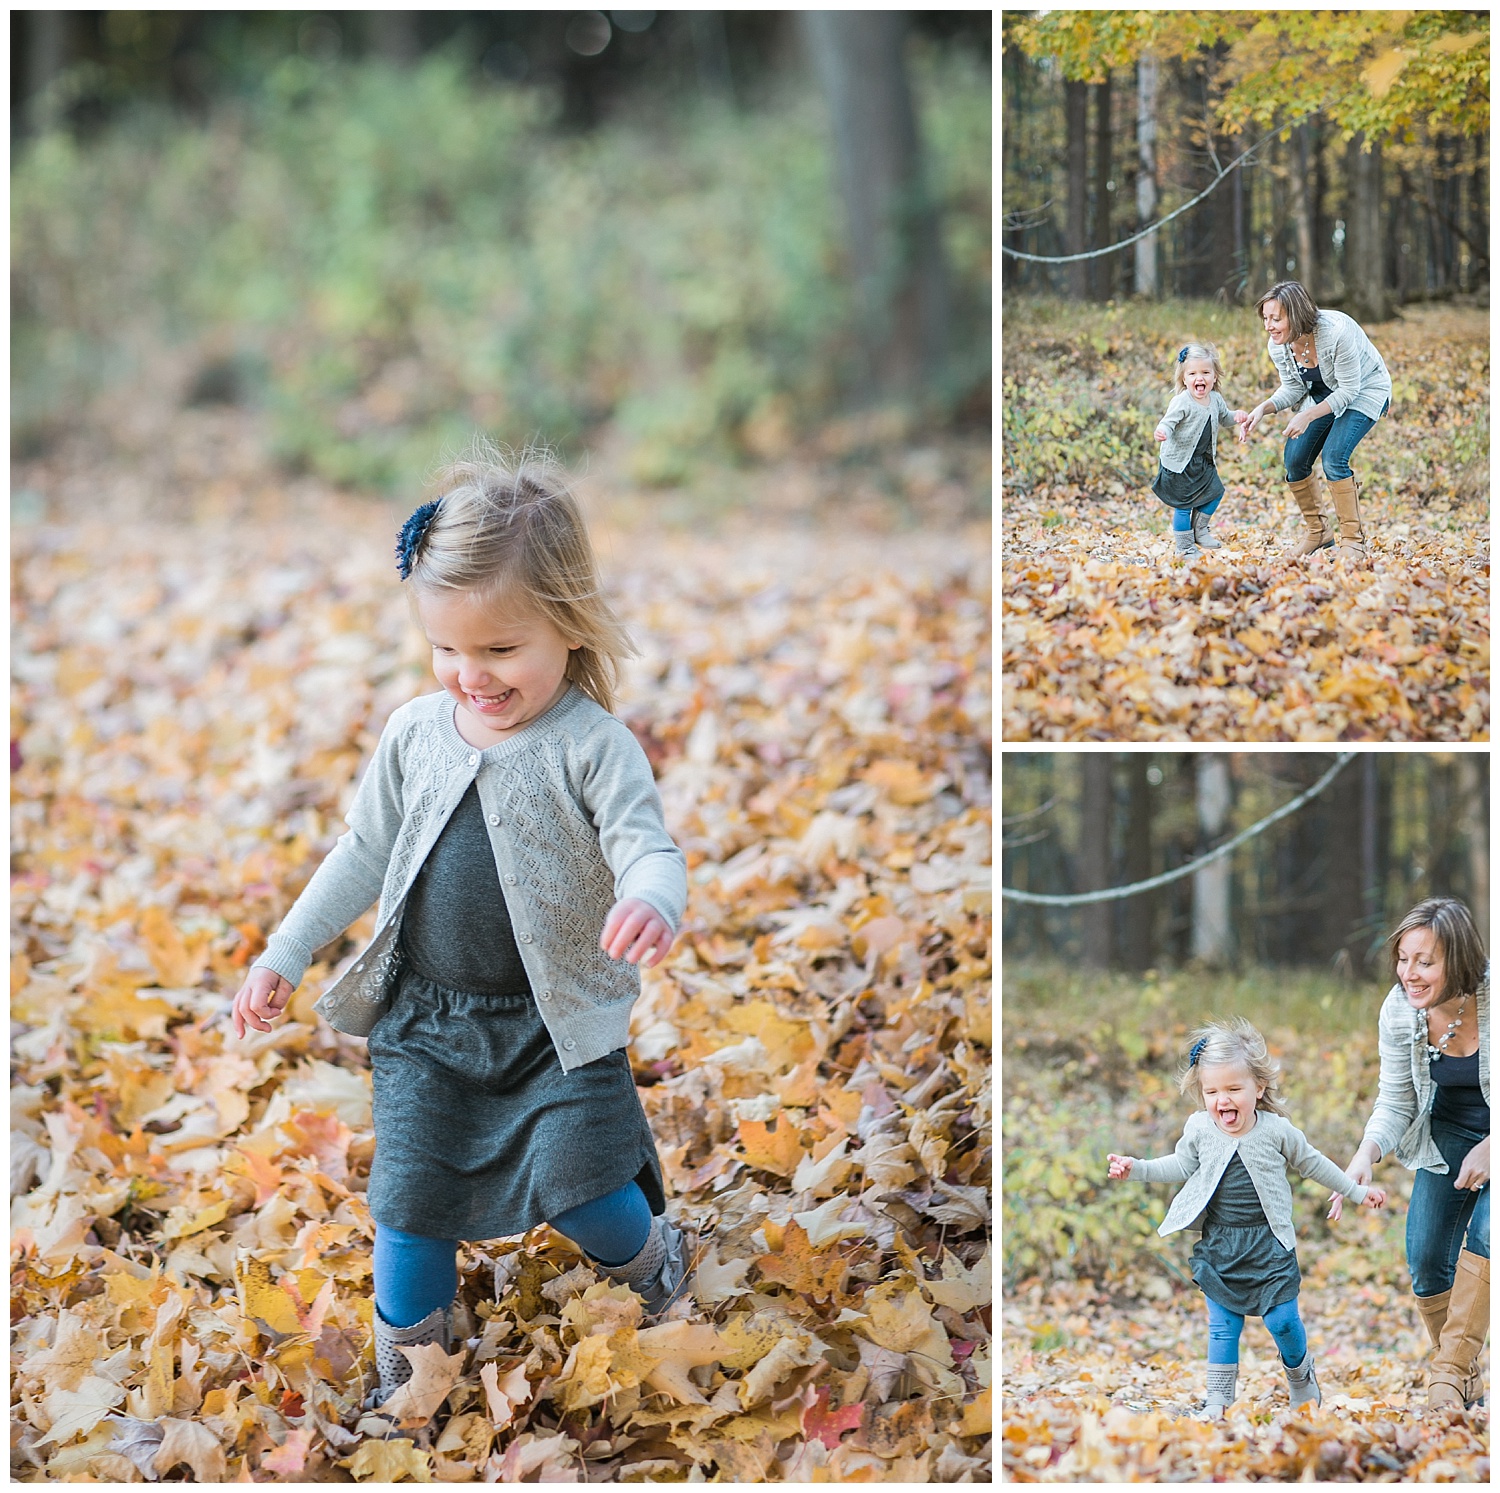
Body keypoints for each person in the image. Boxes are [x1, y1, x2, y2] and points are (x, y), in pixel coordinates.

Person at [230, 442, 690, 1407]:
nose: (469, 675)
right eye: (446, 648)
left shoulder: (592, 747)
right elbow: (360, 851)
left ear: (567, 625)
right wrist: (284, 950)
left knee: (589, 1198)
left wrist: (650, 897)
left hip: (551, 1024)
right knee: (408, 1202)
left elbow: (649, 846)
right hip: (428, 1020)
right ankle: (414, 1365)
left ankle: (651, 1248)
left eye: (498, 649)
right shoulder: (414, 734)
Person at [1108, 1018, 1384, 1419]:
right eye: (1212, 1091)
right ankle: (1218, 1401)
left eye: (1234, 1089)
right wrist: (1137, 1168)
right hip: (1221, 1244)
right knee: (1223, 1327)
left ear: (1259, 1087)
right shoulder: (1200, 1128)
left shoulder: (1277, 1131)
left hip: (1270, 1245)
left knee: (1283, 1321)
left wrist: (1357, 1191)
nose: (1223, 1100)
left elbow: (1314, 1164)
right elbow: (1179, 1165)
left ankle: (1302, 1379)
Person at [1328, 897, 1489, 1409]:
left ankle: (1447, 1378)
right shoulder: (1400, 1010)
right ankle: (1461, 1377)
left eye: (1426, 961)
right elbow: (1397, 1098)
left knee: (1488, 1236)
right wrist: (1364, 1154)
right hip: (1450, 1135)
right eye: (1404, 958)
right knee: (1424, 1258)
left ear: (1458, 959)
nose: (1410, 974)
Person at [1240, 280, 1392, 570]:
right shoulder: (1279, 344)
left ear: (1295, 315)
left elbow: (1348, 390)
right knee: (1294, 459)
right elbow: (1294, 388)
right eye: (1265, 319)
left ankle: (1353, 543)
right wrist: (1263, 408)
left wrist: (1307, 415)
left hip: (1365, 389)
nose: (1269, 326)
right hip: (1324, 393)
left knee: (1334, 458)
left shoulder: (1336, 333)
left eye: (1276, 318)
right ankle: (1319, 533)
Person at [1152, 342, 1249, 560]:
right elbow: (1168, 422)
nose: (1200, 378)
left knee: (1216, 493)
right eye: (1193, 373)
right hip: (1180, 463)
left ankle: (1200, 530)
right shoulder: (1182, 401)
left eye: (1205, 372)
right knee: (1183, 505)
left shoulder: (1215, 399)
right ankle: (1184, 546)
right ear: (1184, 379)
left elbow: (1225, 418)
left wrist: (1238, 416)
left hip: (1202, 461)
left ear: (1214, 376)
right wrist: (1162, 430)